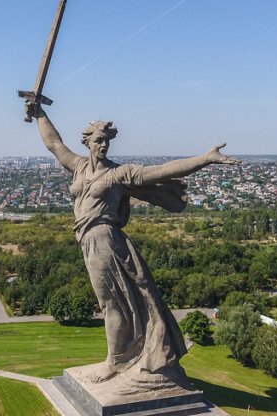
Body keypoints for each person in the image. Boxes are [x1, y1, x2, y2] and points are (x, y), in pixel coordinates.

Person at [25, 102, 241, 392]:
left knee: (111, 304)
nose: (103, 146)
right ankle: (122, 358)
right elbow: (54, 142)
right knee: (117, 303)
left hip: (106, 241)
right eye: (98, 141)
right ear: (88, 142)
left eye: (106, 142)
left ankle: (114, 362)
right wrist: (39, 112)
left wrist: (205, 158)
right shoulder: (77, 166)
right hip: (89, 241)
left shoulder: (118, 174)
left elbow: (162, 171)